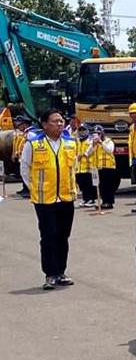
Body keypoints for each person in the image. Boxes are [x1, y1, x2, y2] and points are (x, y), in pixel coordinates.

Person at [20, 109, 77, 290]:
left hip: (66, 197)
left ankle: (61, 272)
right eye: (55, 121)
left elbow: (74, 167)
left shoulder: (70, 142)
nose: (59, 124)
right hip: (45, 199)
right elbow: (25, 168)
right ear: (44, 124)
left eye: (61, 121)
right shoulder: (33, 144)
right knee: (48, 236)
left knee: (63, 236)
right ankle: (50, 274)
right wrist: (35, 188)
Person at [87, 125, 118, 210]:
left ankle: (109, 202)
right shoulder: (93, 143)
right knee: (101, 186)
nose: (97, 135)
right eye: (95, 133)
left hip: (108, 167)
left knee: (108, 186)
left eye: (98, 133)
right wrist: (93, 145)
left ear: (102, 133)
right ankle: (104, 202)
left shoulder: (108, 141)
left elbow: (110, 150)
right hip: (98, 167)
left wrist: (101, 142)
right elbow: (88, 153)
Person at [74, 124, 98, 209]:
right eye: (80, 130)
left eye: (84, 130)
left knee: (89, 184)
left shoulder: (91, 140)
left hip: (89, 166)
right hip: (79, 167)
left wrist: (85, 154)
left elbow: (92, 149)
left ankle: (91, 200)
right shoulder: (77, 141)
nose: (82, 132)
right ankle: (85, 199)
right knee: (82, 184)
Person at [11, 115, 32, 197]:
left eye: (19, 124)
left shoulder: (30, 133)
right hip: (21, 156)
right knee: (22, 172)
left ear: (25, 125)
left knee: (26, 172)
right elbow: (18, 144)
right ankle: (25, 188)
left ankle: (28, 190)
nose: (17, 125)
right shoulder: (23, 133)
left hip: (26, 157)